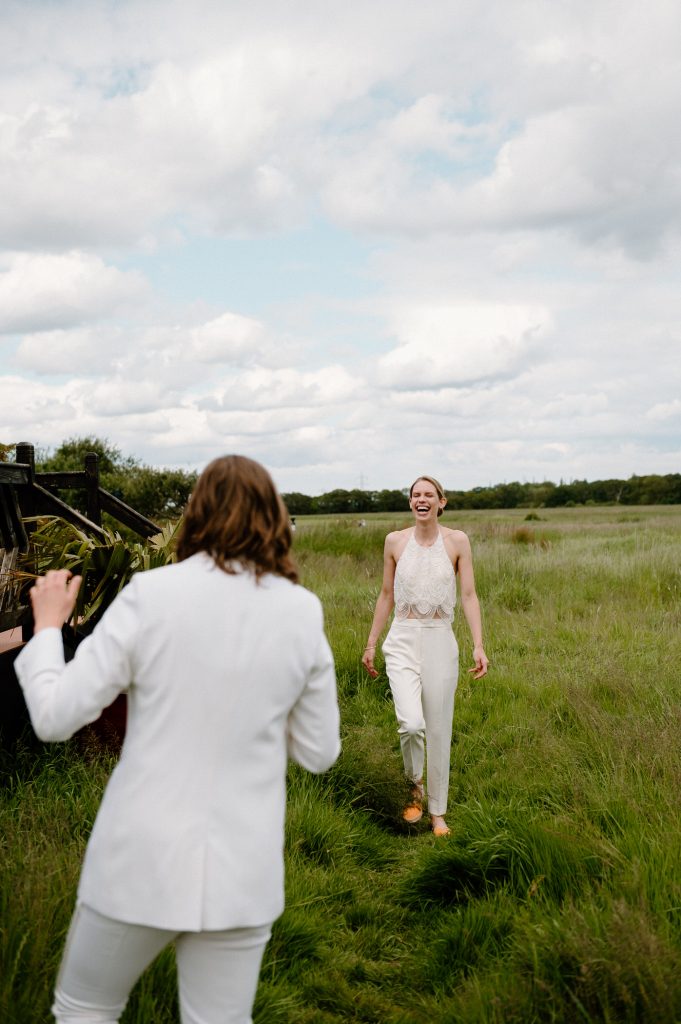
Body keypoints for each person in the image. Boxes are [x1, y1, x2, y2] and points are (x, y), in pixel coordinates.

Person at [15, 455, 341, 1024]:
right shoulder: (301, 612)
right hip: (243, 873)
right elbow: (319, 753)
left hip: (137, 861)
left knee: (84, 1010)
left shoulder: (149, 595)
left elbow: (52, 718)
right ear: (275, 518)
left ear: (195, 515)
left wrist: (47, 629)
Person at [362, 475, 488, 837]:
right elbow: (386, 594)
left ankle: (437, 814)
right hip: (401, 639)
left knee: (438, 727)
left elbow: (469, 596)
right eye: (416, 495)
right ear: (410, 502)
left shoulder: (457, 541)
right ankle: (413, 789)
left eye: (428, 495)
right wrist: (371, 643)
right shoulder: (394, 542)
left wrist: (478, 645)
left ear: (441, 502)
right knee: (411, 724)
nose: (422, 500)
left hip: (440, 641)